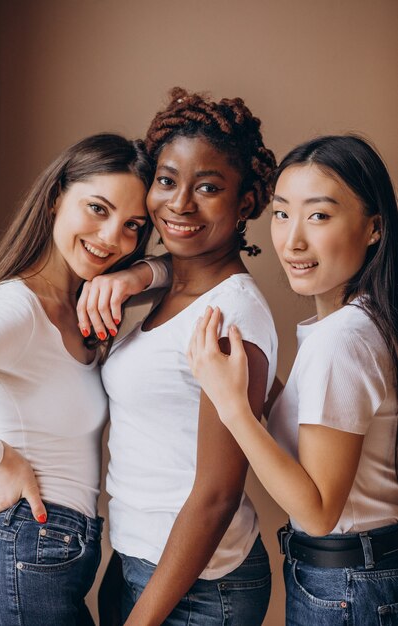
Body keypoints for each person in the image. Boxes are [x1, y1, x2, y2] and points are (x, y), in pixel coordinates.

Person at [188, 135, 398, 625]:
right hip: (361, 576)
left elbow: (320, 512)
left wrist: (232, 406)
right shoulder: (361, 323)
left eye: (319, 215)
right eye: (282, 213)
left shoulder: (342, 340)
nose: (292, 240)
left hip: (346, 586)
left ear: (374, 228)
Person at [88, 87, 278, 626]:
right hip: (136, 560)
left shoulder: (229, 316)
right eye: (167, 181)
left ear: (245, 202)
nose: (179, 204)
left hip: (198, 588)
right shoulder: (177, 286)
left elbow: (218, 495)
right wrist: (140, 272)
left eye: (209, 187)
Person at [0, 132, 160, 626]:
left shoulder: (87, 306)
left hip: (59, 551)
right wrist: (0, 456)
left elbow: (188, 269)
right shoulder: (15, 308)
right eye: (98, 209)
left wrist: (133, 276)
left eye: (132, 226)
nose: (111, 238)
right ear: (58, 196)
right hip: (23, 542)